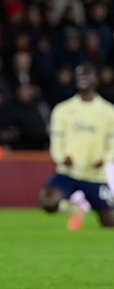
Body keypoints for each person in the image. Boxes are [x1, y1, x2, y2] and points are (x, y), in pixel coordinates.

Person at [39, 63, 114, 230]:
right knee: (47, 201)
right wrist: (61, 158)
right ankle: (72, 208)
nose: (84, 79)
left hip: (95, 175)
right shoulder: (63, 110)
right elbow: (56, 140)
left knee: (109, 223)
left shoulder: (109, 112)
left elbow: (112, 142)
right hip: (69, 172)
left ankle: (85, 206)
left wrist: (105, 159)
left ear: (96, 79)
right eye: (80, 75)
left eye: (88, 75)